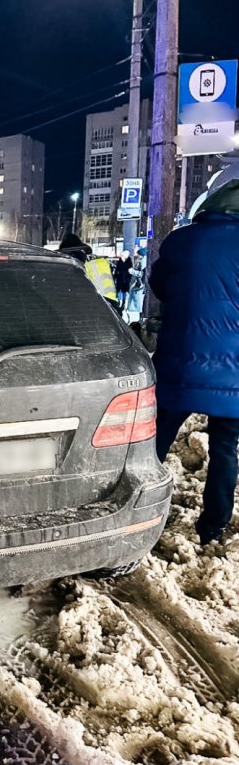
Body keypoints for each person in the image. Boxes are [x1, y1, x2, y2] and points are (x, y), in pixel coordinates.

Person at [150, 180, 239, 545]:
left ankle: (140, 513)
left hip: (179, 362)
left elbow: (158, 286)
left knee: (153, 440)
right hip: (235, 371)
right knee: (225, 448)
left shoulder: (180, 241)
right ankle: (213, 526)